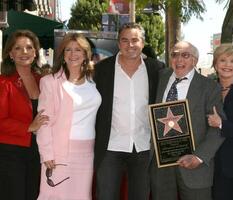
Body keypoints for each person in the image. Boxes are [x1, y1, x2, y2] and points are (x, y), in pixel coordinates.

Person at [94, 22, 164, 200]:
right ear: (118, 44)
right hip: (110, 146)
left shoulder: (157, 69)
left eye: (135, 40)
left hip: (143, 147)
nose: (130, 45)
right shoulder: (102, 69)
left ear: (143, 42)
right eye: (125, 40)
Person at [150, 41, 225, 200]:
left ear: (195, 60)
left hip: (194, 166)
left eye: (185, 55)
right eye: (175, 54)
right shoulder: (160, 78)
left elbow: (217, 128)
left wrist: (199, 157)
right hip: (161, 164)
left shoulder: (210, 87)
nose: (179, 59)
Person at [36, 33, 101, 200]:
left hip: (87, 154)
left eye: (78, 49)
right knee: (55, 196)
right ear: (63, 55)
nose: (73, 54)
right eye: (68, 50)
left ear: (86, 54)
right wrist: (47, 153)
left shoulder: (93, 80)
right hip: (59, 153)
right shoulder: (50, 82)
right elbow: (44, 122)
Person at [0, 30, 49, 200]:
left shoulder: (42, 80)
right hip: (10, 154)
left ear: (36, 52)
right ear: (10, 54)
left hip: (36, 152)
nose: (24, 52)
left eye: (29, 47)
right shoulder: (4, 82)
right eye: (18, 48)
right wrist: (29, 127)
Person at [207, 43, 233, 200]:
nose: (227, 65)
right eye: (223, 60)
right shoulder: (208, 90)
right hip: (214, 166)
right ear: (215, 63)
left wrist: (221, 124)